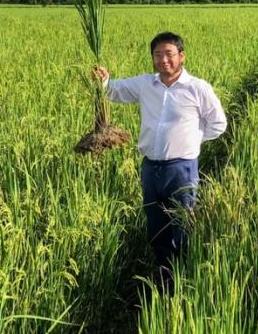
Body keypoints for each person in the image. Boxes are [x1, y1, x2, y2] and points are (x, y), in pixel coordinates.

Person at [95, 31, 227, 293]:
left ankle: (183, 277)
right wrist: (103, 79)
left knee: (182, 224)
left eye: (169, 54)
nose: (163, 60)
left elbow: (218, 124)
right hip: (150, 168)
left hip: (182, 169)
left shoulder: (198, 88)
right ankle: (163, 272)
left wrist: (191, 141)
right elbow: (113, 91)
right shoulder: (145, 85)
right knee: (155, 223)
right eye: (158, 54)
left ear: (181, 56)